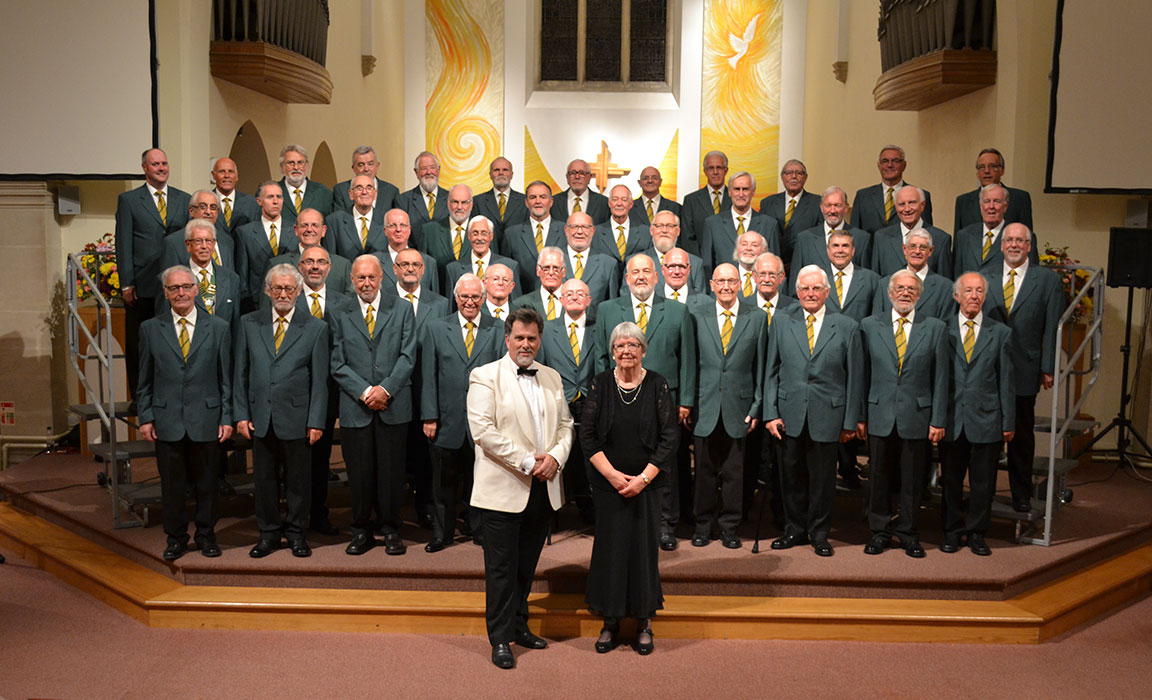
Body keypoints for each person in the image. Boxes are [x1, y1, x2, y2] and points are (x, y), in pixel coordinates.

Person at [467, 308, 574, 669]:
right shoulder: (484, 376)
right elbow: (483, 432)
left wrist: (555, 458)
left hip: (543, 487)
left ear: (539, 340)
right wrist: (531, 462)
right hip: (504, 488)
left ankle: (519, 625)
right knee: (501, 569)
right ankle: (499, 639)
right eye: (519, 338)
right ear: (507, 339)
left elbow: (566, 426)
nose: (525, 344)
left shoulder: (552, 377)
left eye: (532, 338)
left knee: (526, 567)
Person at [581, 321, 677, 655]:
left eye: (633, 345)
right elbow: (588, 436)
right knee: (610, 551)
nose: (626, 351)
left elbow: (668, 439)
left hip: (646, 486)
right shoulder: (601, 384)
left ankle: (643, 622)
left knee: (643, 552)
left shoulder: (658, 385)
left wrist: (642, 480)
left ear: (643, 350)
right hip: (609, 486)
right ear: (612, 351)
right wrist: (612, 476)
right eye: (620, 346)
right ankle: (610, 621)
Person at [596, 253, 696, 550]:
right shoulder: (607, 309)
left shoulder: (678, 311)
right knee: (626, 459)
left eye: (646, 271)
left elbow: (688, 359)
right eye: (634, 272)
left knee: (664, 464)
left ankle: (665, 524)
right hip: (620, 399)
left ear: (657, 276)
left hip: (665, 401)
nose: (640, 276)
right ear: (626, 279)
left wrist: (686, 401)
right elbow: (601, 356)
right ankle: (625, 522)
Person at [763, 265, 864, 557]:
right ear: (796, 291)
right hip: (788, 414)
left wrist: (849, 421)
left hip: (828, 415)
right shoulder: (781, 322)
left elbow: (854, 378)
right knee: (790, 476)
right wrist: (770, 413)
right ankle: (794, 529)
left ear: (827, 292)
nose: (810, 294)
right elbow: (771, 371)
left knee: (822, 480)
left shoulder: (846, 326)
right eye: (805, 289)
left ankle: (819, 533)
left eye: (816, 288)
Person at [136, 265, 232, 560]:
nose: (181, 293)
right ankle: (176, 537)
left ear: (196, 289)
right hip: (167, 419)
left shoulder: (218, 327)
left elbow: (225, 377)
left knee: (207, 484)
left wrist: (226, 417)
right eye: (174, 288)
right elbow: (144, 378)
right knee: (172, 486)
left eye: (186, 287)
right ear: (165, 293)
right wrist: (146, 416)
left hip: (207, 417)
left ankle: (206, 535)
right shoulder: (150, 329)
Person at [233, 265, 329, 558]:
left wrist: (316, 420)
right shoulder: (249, 323)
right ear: (267, 290)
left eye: (289, 289)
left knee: (299, 482)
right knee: (264, 481)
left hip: (298, 419)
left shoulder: (316, 327)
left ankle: (297, 533)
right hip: (261, 417)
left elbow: (320, 380)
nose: (283, 294)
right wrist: (241, 414)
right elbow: (241, 373)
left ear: (299, 291)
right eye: (278, 288)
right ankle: (269, 534)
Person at [329, 254, 417, 556]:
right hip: (357, 406)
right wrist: (366, 391)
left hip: (393, 405)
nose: (366, 283)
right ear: (352, 280)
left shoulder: (403, 309)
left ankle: (392, 529)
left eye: (371, 277)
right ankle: (361, 530)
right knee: (360, 473)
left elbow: (408, 356)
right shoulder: (339, 311)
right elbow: (337, 363)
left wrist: (386, 390)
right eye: (360, 278)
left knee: (392, 473)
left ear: (382, 278)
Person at [860, 270, 949, 559]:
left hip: (917, 415)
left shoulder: (935, 328)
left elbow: (941, 378)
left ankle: (908, 533)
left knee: (913, 480)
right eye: (900, 288)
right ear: (889, 293)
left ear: (919, 294)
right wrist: (860, 416)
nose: (905, 293)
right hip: (879, 413)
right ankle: (879, 533)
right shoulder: (869, 325)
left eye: (911, 289)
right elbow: (862, 376)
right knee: (878, 477)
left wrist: (938, 418)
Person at [420, 274, 505, 551]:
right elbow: (428, 375)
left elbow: (503, 377)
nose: (470, 302)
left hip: (484, 421)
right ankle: (442, 534)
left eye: (476, 297)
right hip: (446, 419)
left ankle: (479, 530)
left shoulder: (498, 329)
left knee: (481, 480)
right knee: (443, 482)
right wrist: (429, 416)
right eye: (464, 297)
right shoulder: (435, 328)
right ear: (456, 298)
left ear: (484, 299)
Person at [983, 223, 1062, 513]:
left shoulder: (1047, 280)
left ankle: (1021, 494)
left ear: (1029, 246)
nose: (1014, 245)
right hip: (987, 369)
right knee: (988, 437)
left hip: (1024, 368)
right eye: (1009, 240)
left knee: (1021, 436)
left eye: (1021, 240)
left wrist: (1048, 366)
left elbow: (1052, 327)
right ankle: (984, 492)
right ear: (1001, 245)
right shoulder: (984, 277)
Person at [690, 264, 765, 549]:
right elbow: (691, 363)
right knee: (705, 472)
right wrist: (690, 402)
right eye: (720, 281)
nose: (725, 286)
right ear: (711, 284)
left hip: (740, 406)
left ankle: (730, 528)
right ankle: (702, 526)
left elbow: (760, 364)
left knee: (735, 473)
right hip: (705, 405)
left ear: (740, 284)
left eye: (731, 281)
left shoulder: (756, 317)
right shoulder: (697, 315)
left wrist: (757, 405)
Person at [940, 272, 1015, 556]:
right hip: (951, 418)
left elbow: (1005, 381)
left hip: (987, 417)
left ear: (985, 297)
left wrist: (1008, 421)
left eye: (979, 291)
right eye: (968, 290)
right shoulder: (941, 329)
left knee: (984, 482)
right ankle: (951, 531)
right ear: (957, 296)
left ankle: (977, 534)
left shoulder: (1001, 333)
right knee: (951, 480)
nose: (974, 296)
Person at [116, 148, 191, 399]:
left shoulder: (184, 199)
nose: (161, 168)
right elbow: (123, 243)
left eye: (165, 163)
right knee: (141, 344)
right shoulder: (129, 200)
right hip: (144, 285)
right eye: (155, 164)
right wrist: (127, 283)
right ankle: (140, 397)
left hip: (177, 284)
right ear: (144, 168)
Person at [294, 244, 356, 536]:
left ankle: (318, 514)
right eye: (309, 262)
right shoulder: (287, 299)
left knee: (321, 458)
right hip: (296, 391)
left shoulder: (344, 303)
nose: (315, 267)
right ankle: (294, 515)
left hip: (332, 390)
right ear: (300, 267)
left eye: (321, 262)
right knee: (296, 456)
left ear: (330, 268)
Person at [953, 184, 1039, 278]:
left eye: (997, 201)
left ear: (1005, 206)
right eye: (986, 201)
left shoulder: (1023, 236)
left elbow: (1032, 276)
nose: (991, 206)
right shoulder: (964, 235)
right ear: (981, 206)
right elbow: (957, 277)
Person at [701, 172, 780, 273]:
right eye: (737, 189)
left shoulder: (769, 224)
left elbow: (774, 266)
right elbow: (707, 266)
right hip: (724, 287)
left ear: (753, 192)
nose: (741, 194)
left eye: (745, 189)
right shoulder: (712, 223)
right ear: (729, 192)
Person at [266, 208, 353, 298]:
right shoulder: (277, 264)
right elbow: (266, 307)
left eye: (315, 225)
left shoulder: (343, 266)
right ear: (296, 230)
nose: (309, 229)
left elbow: (350, 306)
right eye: (304, 225)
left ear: (323, 230)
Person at [235, 181, 295, 310]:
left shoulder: (295, 229)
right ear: (259, 201)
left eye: (279, 197)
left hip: (290, 300)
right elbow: (243, 272)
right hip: (258, 302)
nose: (275, 201)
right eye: (270, 197)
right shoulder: (245, 233)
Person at [871, 185, 952, 277]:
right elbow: (876, 280)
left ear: (922, 205)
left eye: (912, 203)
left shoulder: (941, 239)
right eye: (902, 204)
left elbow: (944, 285)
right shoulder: (881, 238)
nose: (907, 209)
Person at [874, 229, 956, 321]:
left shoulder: (945, 288)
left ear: (930, 251)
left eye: (923, 247)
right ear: (905, 249)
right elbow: (877, 324)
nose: (917, 251)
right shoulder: (884, 284)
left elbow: (945, 327)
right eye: (912, 246)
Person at [851, 145, 934, 233]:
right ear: (879, 166)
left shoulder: (920, 195)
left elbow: (926, 232)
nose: (890, 165)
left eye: (895, 161)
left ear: (904, 165)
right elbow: (855, 235)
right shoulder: (863, 196)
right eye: (885, 161)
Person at [790, 186, 872, 275]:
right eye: (828, 205)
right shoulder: (804, 239)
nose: (832, 211)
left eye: (837, 205)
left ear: (846, 207)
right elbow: (796, 279)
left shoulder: (862, 238)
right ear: (821, 207)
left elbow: (865, 279)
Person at [501, 181, 566, 292]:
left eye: (542, 197)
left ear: (551, 202)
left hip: (558, 299)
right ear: (526, 202)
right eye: (533, 197)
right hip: (523, 300)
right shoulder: (511, 234)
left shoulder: (565, 231)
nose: (538, 201)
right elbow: (506, 271)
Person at [953, 148, 1033, 233]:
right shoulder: (963, 201)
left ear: (1002, 170)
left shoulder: (1020, 198)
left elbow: (1028, 237)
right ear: (977, 173)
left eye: (992, 166)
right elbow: (958, 242)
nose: (986, 171)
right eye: (982, 167)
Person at [759, 159, 823, 265]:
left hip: (805, 263)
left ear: (806, 177)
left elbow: (820, 238)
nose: (794, 176)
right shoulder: (768, 203)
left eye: (799, 173)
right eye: (788, 173)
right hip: (772, 265)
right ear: (782, 177)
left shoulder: (817, 203)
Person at [445, 215, 520, 299]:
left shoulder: (510, 266)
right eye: (475, 233)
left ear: (491, 236)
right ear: (469, 236)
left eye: (484, 233)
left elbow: (515, 304)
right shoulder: (453, 269)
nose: (479, 238)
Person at [160, 189, 235, 272]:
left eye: (213, 207)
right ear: (191, 210)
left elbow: (230, 278)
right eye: (203, 207)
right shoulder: (173, 243)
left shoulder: (227, 241)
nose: (208, 212)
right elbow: (168, 279)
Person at [679, 150, 731, 257]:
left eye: (719, 168)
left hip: (730, 262)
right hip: (700, 262)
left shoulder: (735, 198)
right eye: (711, 168)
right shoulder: (691, 201)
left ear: (726, 171)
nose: (715, 172)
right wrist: (701, 262)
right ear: (705, 171)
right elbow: (687, 237)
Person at [376, 208, 440, 294]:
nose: (398, 230)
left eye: (403, 225)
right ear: (385, 231)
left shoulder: (428, 262)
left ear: (409, 229)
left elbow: (434, 299)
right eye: (393, 225)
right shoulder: (374, 261)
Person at [560, 212, 619, 304]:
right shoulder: (553, 260)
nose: (579, 232)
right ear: (566, 230)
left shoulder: (608, 264)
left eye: (585, 227)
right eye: (574, 227)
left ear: (593, 230)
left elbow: (612, 305)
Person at [325, 174, 386, 259]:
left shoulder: (386, 220)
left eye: (369, 188)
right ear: (351, 194)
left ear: (375, 194)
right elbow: (331, 258)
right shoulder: (334, 221)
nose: (364, 192)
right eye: (359, 188)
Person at [330, 145, 399, 216]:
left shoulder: (391, 191)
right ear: (353, 168)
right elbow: (338, 220)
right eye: (361, 165)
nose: (366, 169)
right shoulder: (341, 190)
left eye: (370, 164)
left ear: (377, 166)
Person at [593, 184, 652, 267]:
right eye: (615, 199)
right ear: (609, 203)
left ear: (631, 204)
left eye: (624, 200)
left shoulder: (645, 233)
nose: (619, 203)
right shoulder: (596, 233)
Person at [471, 157, 528, 239]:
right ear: (490, 175)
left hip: (516, 251)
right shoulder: (477, 202)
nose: (501, 173)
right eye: (496, 170)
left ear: (512, 175)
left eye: (505, 170)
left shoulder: (524, 201)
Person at [277, 144, 333, 227]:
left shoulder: (323, 193)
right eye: (291, 163)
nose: (296, 167)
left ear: (307, 165)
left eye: (300, 162)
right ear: (282, 166)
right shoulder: (271, 192)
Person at [509, 246, 565, 320]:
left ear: (564, 272)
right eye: (546, 268)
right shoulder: (520, 304)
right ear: (538, 271)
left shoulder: (575, 302)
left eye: (556, 268)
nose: (551, 272)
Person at [398, 151, 450, 229]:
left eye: (432, 167)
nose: (429, 172)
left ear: (438, 170)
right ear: (416, 172)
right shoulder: (403, 201)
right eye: (424, 168)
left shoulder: (451, 199)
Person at [550, 158, 609, 224]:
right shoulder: (553, 203)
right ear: (567, 177)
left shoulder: (604, 203)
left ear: (589, 177)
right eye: (573, 173)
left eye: (582, 173)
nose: (577, 177)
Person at [210, 157, 260, 234]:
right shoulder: (205, 202)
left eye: (231, 171)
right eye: (222, 171)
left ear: (236, 176)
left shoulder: (251, 203)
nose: (227, 175)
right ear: (213, 175)